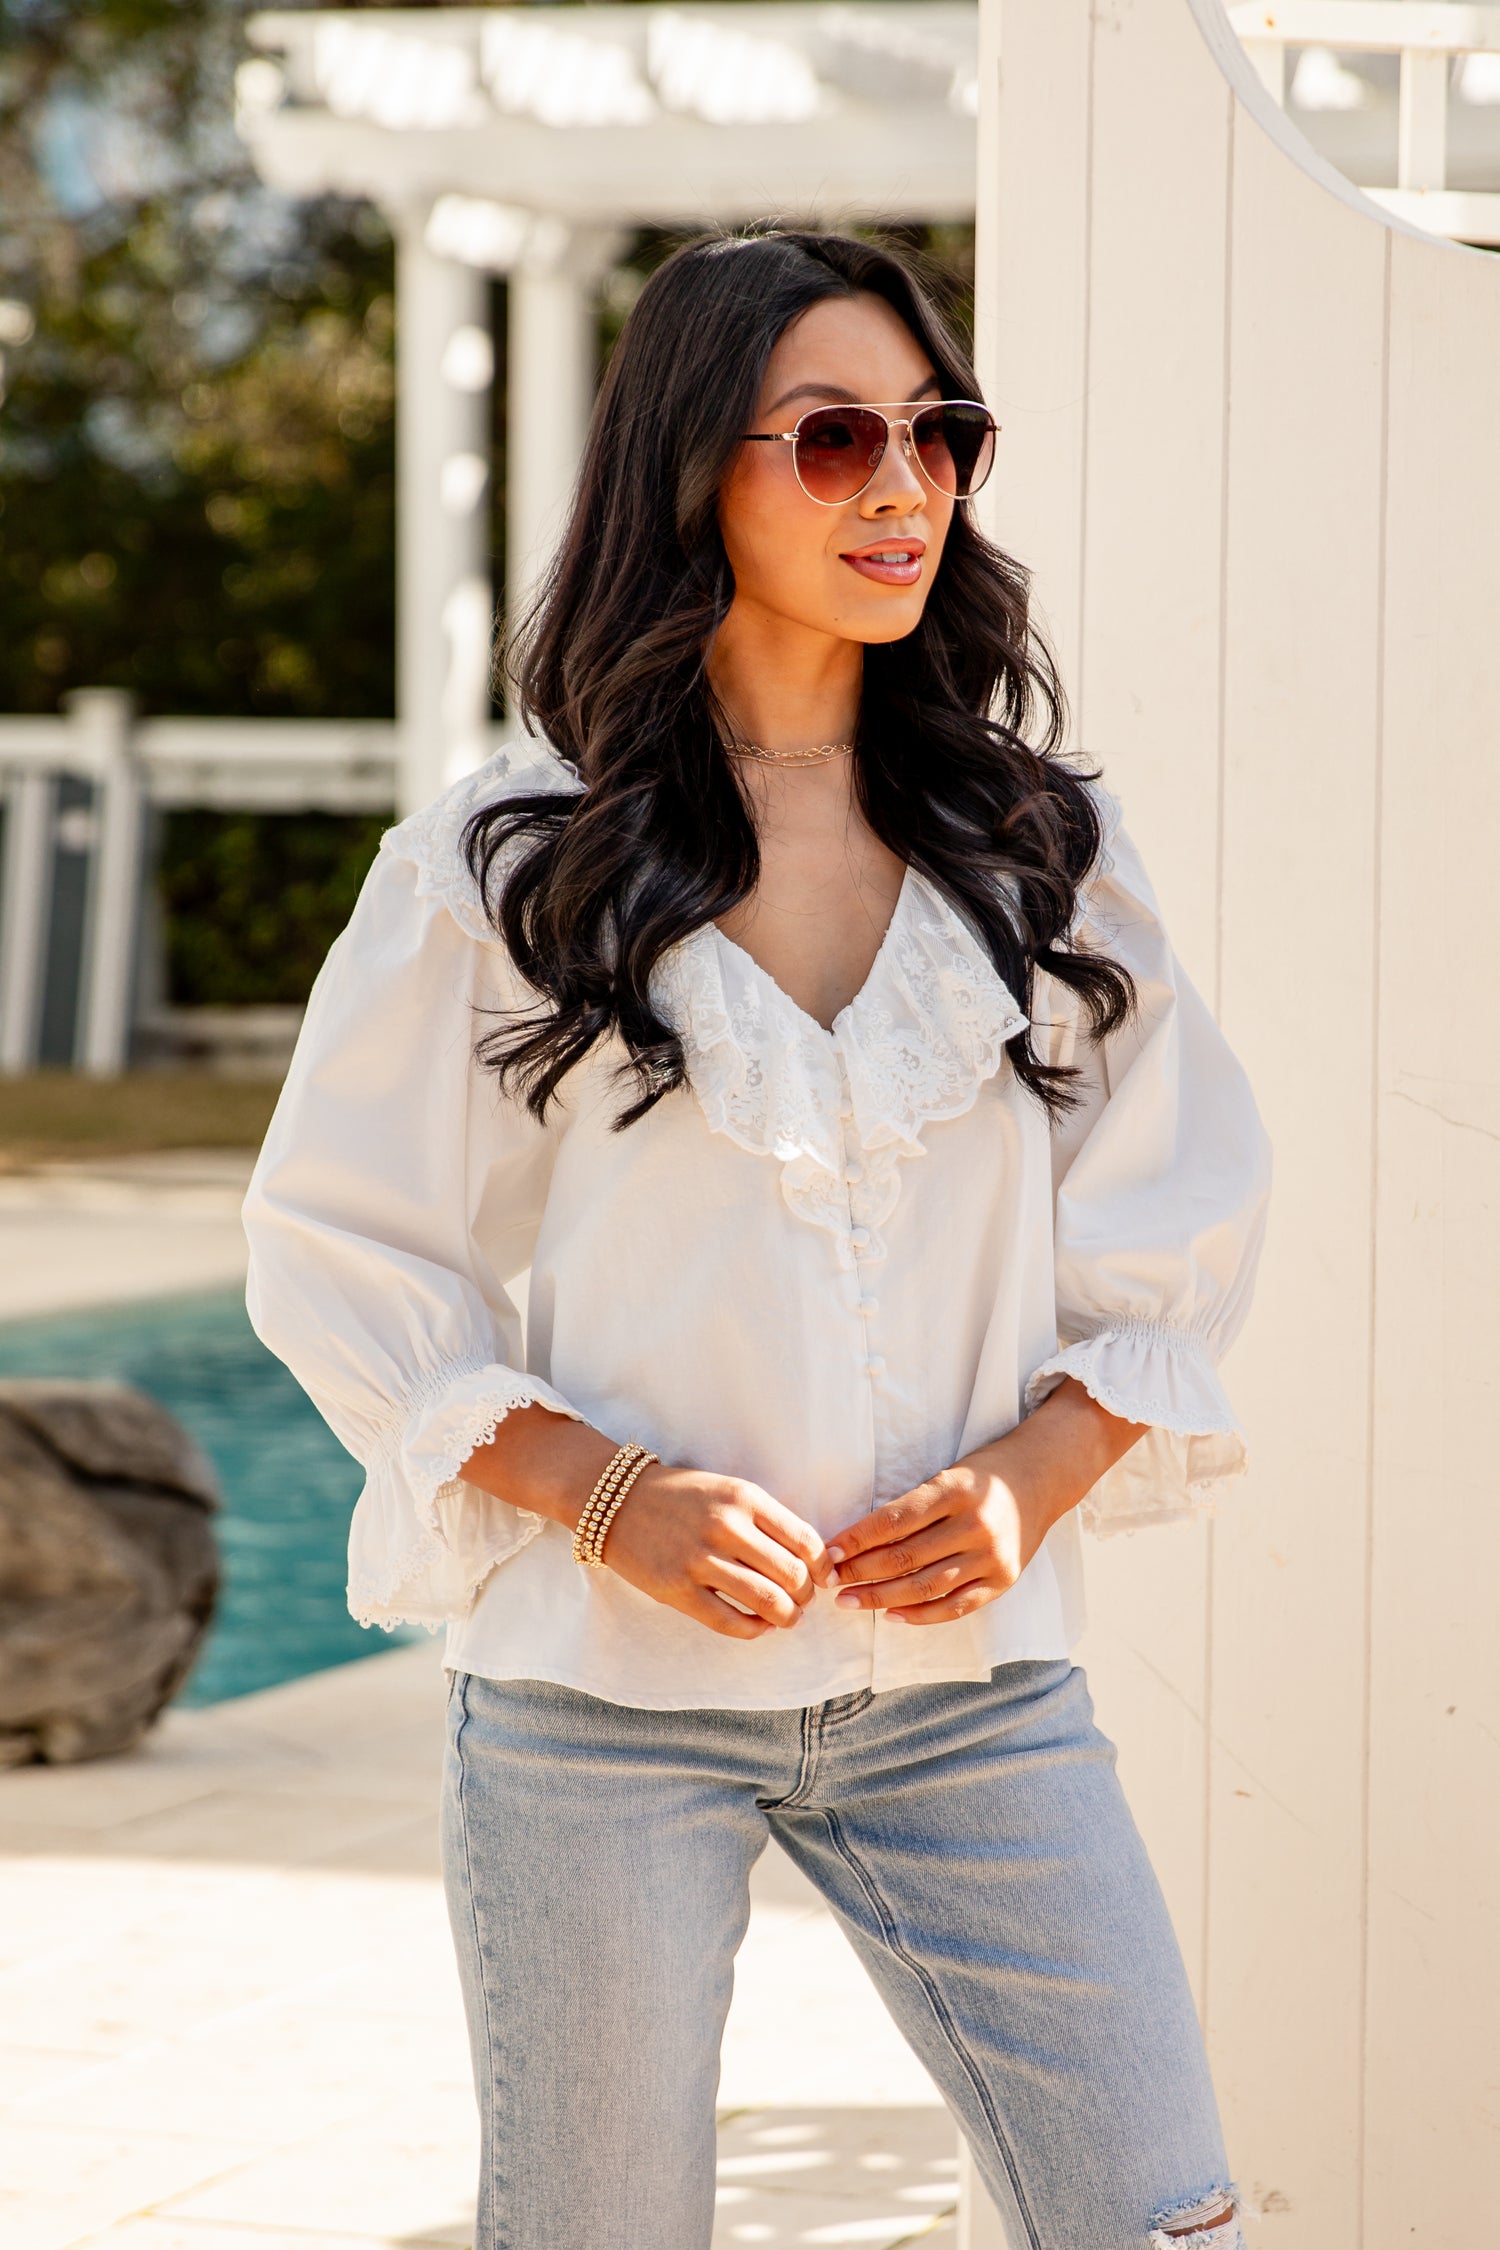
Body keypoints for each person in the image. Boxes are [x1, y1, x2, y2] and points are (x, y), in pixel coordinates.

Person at [243, 228, 1269, 2250]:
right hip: (596, 1720)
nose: (903, 486)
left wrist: (1031, 1479)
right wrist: (602, 1492)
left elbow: (1178, 1207)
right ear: (693, 467)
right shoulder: (511, 853)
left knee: (1156, 2219)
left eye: (939, 434)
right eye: (836, 439)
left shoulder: (1038, 844)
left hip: (974, 1697)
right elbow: (339, 1240)